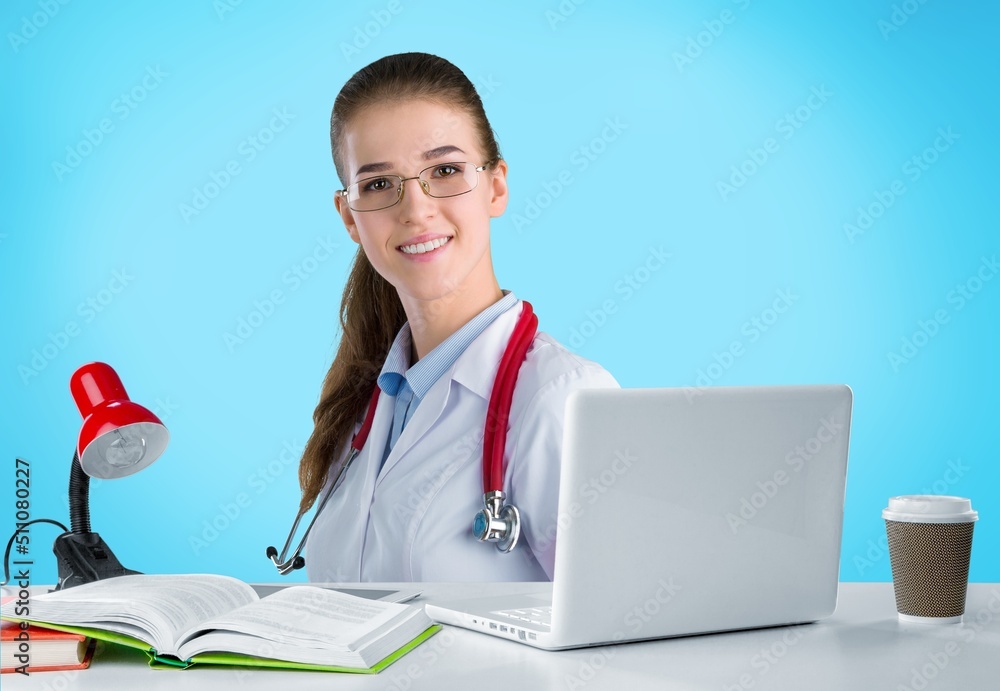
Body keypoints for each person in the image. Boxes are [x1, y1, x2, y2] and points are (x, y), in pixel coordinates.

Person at [301, 52, 618, 582]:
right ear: (349, 217)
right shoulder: (362, 408)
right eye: (379, 184)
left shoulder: (562, 398)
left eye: (445, 171)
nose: (416, 209)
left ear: (496, 186)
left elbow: (621, 630)